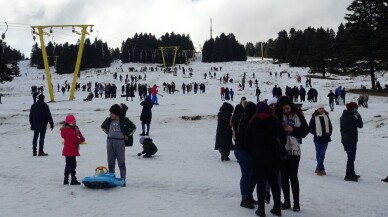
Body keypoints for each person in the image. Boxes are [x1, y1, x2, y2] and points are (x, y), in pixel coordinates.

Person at [246, 102, 287, 217]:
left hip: (258, 158)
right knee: (274, 183)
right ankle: (277, 208)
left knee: (261, 183)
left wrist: (254, 150)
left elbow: (247, 142)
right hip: (273, 158)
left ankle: (261, 209)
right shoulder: (276, 122)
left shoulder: (253, 123)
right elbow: (283, 140)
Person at [276, 96, 309, 212]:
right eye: (284, 109)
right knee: (284, 177)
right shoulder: (279, 116)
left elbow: (305, 131)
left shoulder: (298, 115)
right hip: (282, 149)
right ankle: (287, 202)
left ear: (291, 106)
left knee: (293, 176)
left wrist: (293, 130)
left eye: (287, 108)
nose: (286, 111)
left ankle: (296, 203)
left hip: (294, 149)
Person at [101, 104, 136, 186]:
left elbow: (133, 128)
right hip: (110, 142)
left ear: (116, 113)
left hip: (120, 142)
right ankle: (111, 178)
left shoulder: (124, 120)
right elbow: (102, 127)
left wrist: (127, 134)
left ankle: (123, 180)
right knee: (110, 162)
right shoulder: (109, 120)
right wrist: (108, 133)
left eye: (111, 113)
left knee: (121, 162)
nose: (110, 114)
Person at [232, 101, 257, 209]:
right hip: (242, 150)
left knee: (252, 174)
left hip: (244, 149)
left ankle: (249, 195)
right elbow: (246, 136)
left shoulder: (240, 118)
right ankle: (244, 198)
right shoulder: (247, 120)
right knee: (246, 173)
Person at [340, 102, 363, 182]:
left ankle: (351, 173)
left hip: (345, 139)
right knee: (351, 158)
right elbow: (360, 125)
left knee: (351, 158)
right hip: (351, 140)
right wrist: (358, 115)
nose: (357, 110)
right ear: (352, 109)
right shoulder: (351, 117)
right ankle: (348, 175)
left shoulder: (344, 115)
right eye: (356, 109)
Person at [308, 104, 333, 176]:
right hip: (317, 138)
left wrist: (329, 133)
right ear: (317, 109)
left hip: (325, 138)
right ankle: (322, 169)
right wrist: (316, 133)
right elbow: (310, 128)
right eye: (320, 109)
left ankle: (318, 169)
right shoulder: (314, 117)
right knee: (318, 154)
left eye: (322, 109)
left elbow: (330, 126)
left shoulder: (326, 116)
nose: (321, 110)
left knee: (322, 154)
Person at [61, 114, 85, 185]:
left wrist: (77, 131)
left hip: (67, 150)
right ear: (70, 123)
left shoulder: (65, 130)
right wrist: (81, 139)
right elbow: (76, 140)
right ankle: (73, 179)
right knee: (73, 165)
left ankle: (66, 179)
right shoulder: (71, 131)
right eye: (74, 122)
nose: (75, 123)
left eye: (75, 121)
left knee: (68, 164)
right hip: (71, 150)